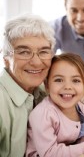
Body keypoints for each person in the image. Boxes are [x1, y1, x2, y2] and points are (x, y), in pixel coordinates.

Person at [26, 53, 84, 157]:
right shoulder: (42, 115)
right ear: (47, 85)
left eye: (76, 80)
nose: (67, 86)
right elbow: (49, 153)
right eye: (59, 80)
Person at [0, 14, 56, 156]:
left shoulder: (48, 92)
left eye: (43, 52)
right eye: (24, 52)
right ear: (5, 58)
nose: (36, 62)